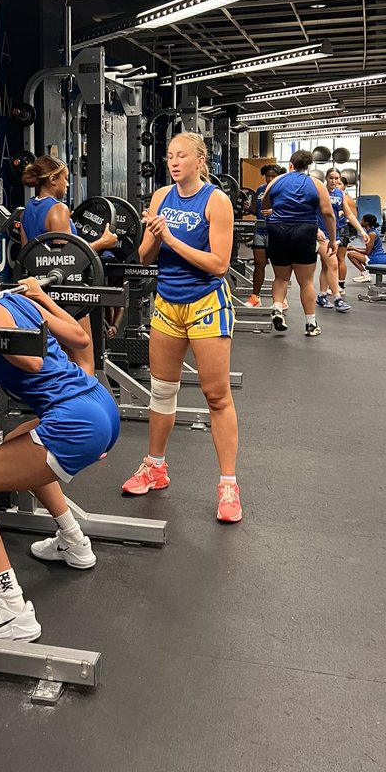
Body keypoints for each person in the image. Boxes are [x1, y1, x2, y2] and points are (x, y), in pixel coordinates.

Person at [0, 222, 120, 639]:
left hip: (74, 420)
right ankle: (74, 541)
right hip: (96, 404)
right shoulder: (21, 299)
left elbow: (33, 362)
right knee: (16, 444)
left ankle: (11, 610)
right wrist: (42, 298)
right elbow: (79, 335)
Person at [119, 132, 242, 522]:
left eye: (181, 156)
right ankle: (155, 466)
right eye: (169, 156)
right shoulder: (159, 197)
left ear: (199, 160)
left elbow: (219, 265)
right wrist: (155, 236)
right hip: (167, 304)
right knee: (162, 390)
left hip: (205, 303)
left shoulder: (216, 201)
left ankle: (228, 486)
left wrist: (170, 235)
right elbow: (143, 256)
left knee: (216, 396)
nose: (173, 162)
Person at [19, 154, 118, 371]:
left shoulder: (27, 210)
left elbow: (28, 256)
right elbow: (68, 261)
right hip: (69, 294)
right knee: (84, 360)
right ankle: (86, 401)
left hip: (43, 294)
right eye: (64, 178)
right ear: (52, 180)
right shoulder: (58, 209)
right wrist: (104, 242)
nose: (67, 183)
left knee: (57, 360)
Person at [261, 149, 337, 337]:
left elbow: (264, 204)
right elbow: (328, 214)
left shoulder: (277, 180)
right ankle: (311, 324)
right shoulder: (316, 184)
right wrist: (333, 240)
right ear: (308, 166)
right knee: (306, 282)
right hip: (304, 231)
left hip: (278, 229)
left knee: (281, 278)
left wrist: (275, 210)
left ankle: (278, 308)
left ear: (290, 165)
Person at [316, 168, 363, 312]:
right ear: (326, 178)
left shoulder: (340, 193)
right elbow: (309, 211)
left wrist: (361, 231)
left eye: (337, 178)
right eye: (331, 178)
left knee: (326, 266)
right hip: (322, 235)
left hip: (334, 234)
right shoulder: (319, 192)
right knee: (333, 264)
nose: (334, 181)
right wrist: (315, 229)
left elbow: (349, 214)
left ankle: (322, 295)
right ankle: (337, 298)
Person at [246, 163, 280, 307]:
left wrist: (274, 212)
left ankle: (280, 299)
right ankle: (255, 298)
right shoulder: (260, 189)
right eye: (268, 176)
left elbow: (289, 209)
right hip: (260, 230)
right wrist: (250, 208)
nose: (270, 178)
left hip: (276, 230)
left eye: (273, 176)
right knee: (259, 264)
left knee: (278, 266)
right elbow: (257, 212)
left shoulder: (281, 189)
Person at [347, 213, 386, 281]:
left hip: (378, 259)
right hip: (384, 257)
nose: (360, 222)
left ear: (366, 223)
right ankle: (364, 274)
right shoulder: (373, 231)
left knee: (350, 254)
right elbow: (369, 250)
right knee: (354, 252)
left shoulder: (371, 234)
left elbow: (367, 252)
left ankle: (366, 275)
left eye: (362, 220)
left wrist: (354, 248)